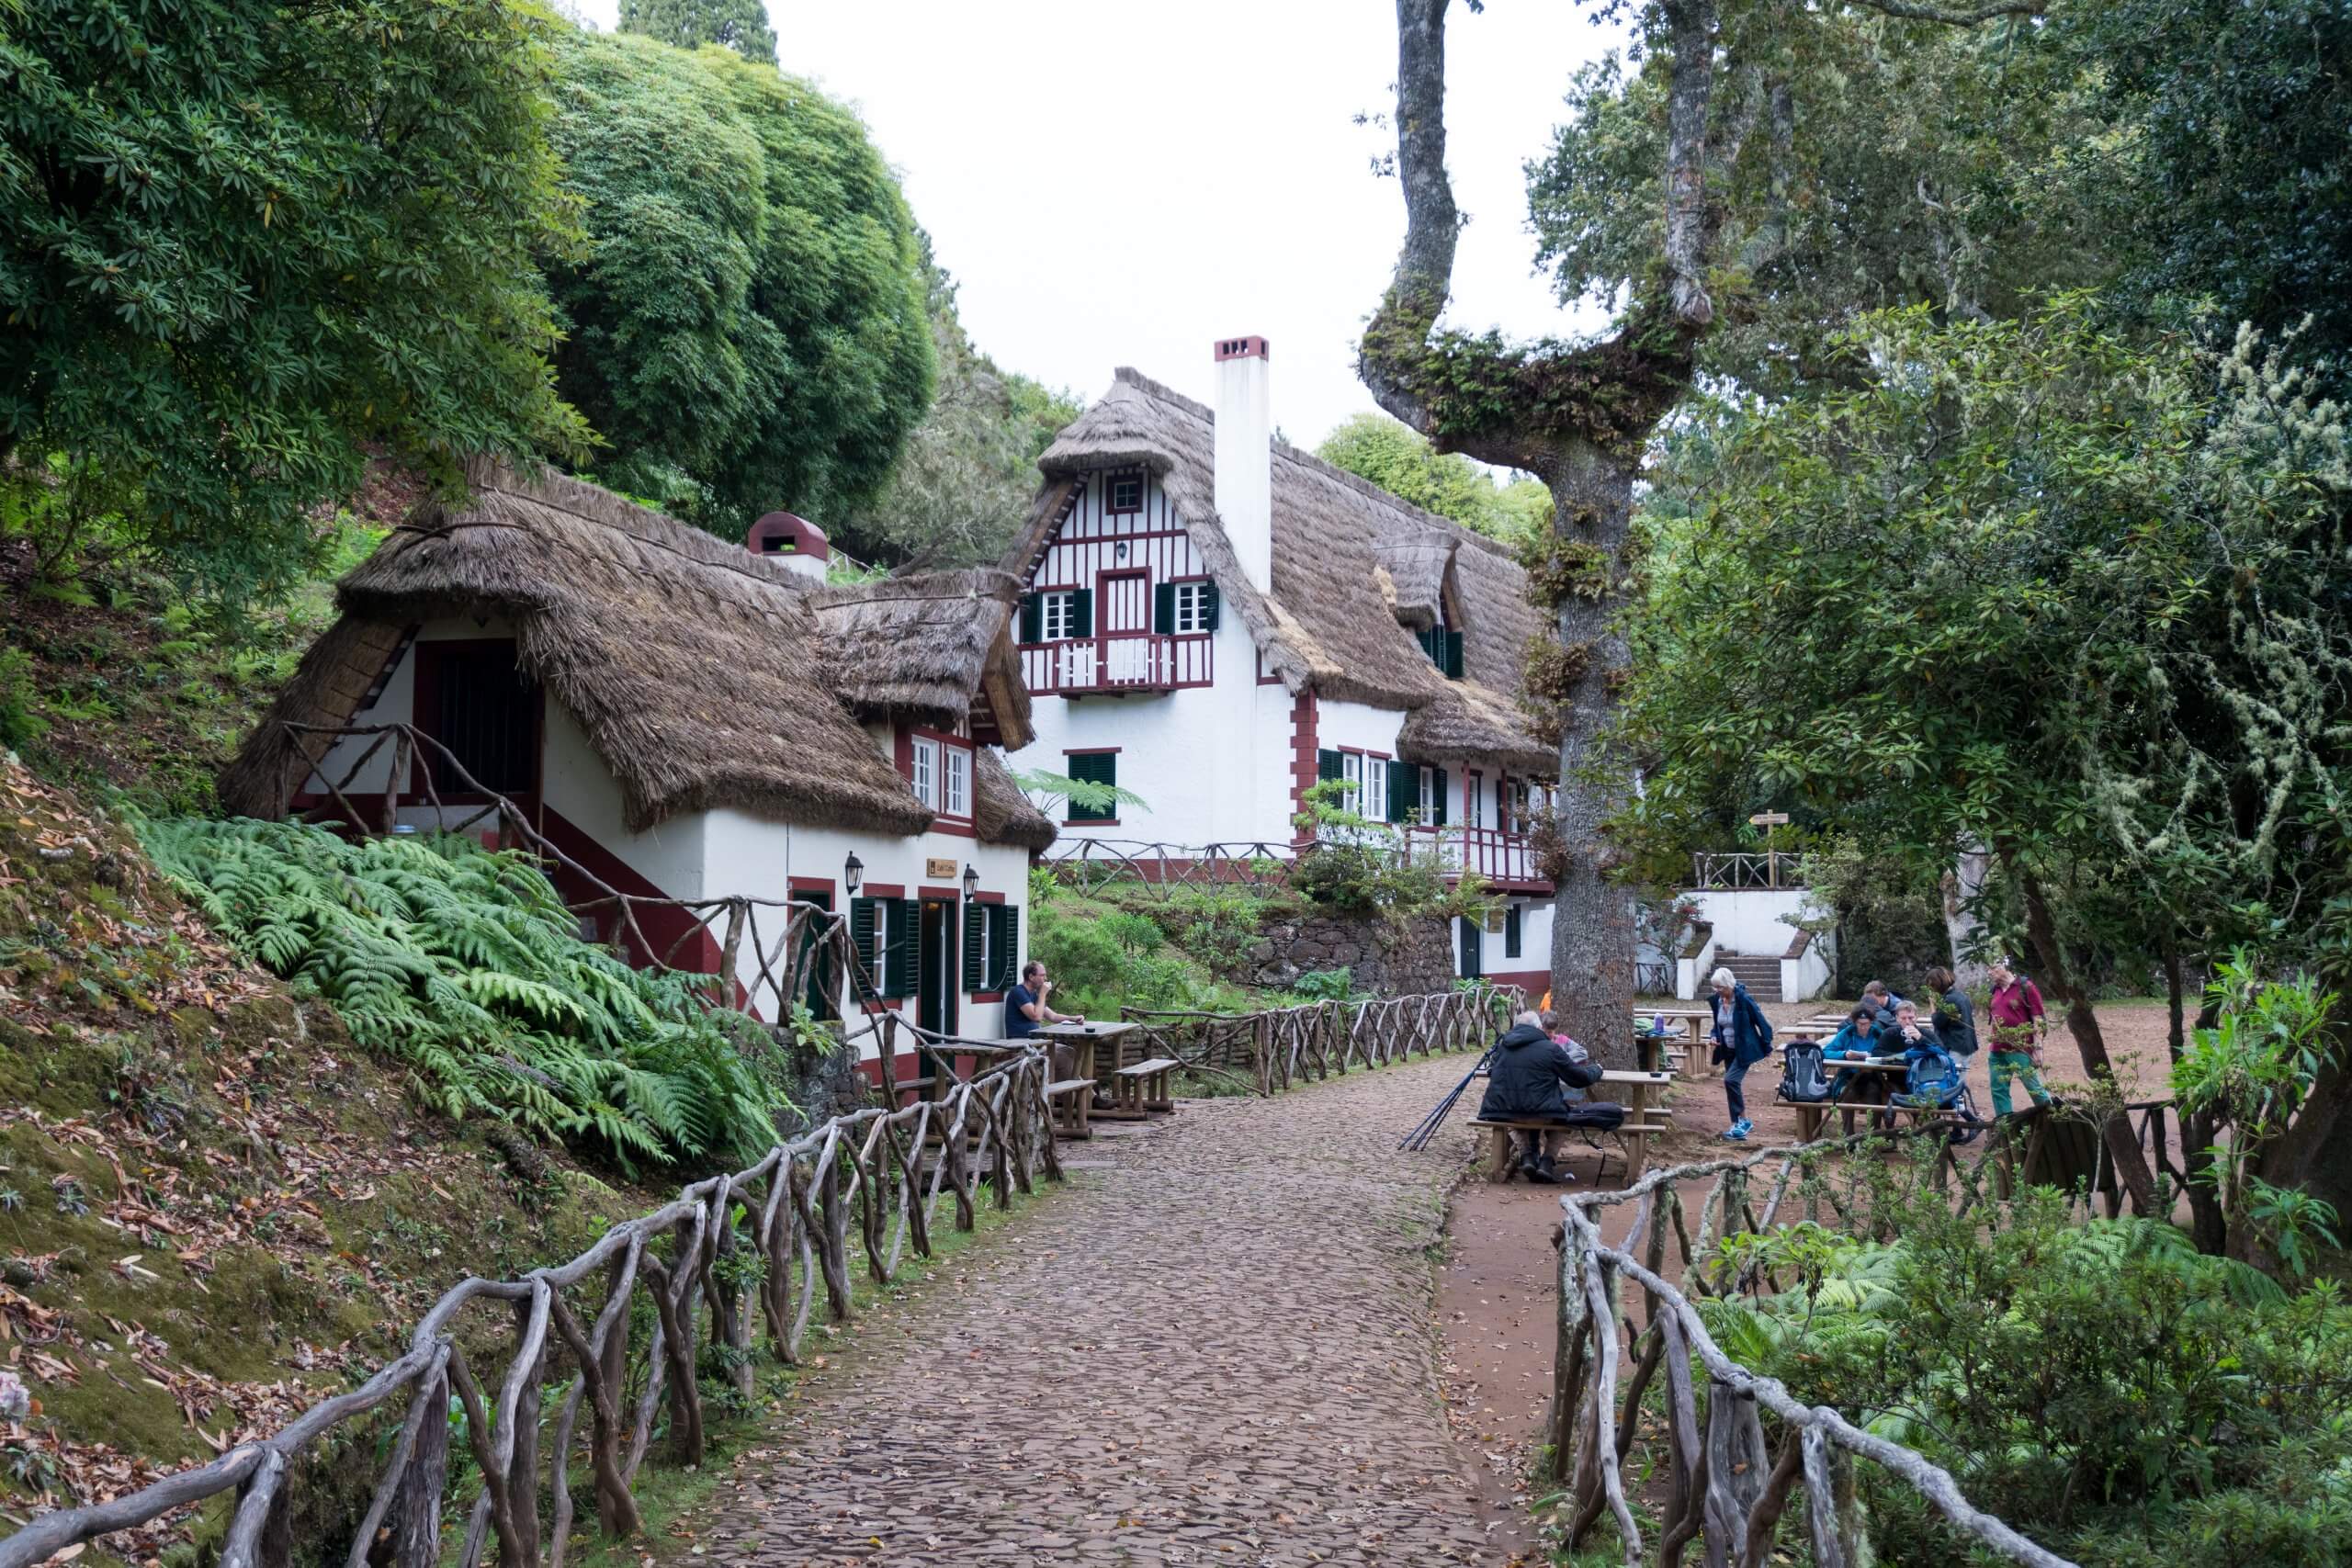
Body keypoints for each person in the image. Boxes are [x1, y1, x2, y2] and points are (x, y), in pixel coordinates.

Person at [1476, 1010, 1620, 1184]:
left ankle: (1527, 1155)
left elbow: (1492, 1070)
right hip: (1545, 1113)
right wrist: (1597, 1069)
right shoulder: (1551, 1048)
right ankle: (1546, 1161)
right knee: (1565, 1121)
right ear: (1539, 1027)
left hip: (1505, 1111)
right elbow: (1578, 1079)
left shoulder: (1502, 1047)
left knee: (1514, 1120)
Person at [1708, 965, 1774, 1141]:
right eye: (1715, 987)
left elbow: (1761, 1022)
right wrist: (1714, 1036)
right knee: (1732, 1086)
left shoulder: (1744, 999)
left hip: (1744, 1049)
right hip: (1727, 1048)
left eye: (1720, 987)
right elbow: (1717, 1026)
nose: (1717, 991)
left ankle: (1743, 1121)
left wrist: (1767, 1045)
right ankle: (1738, 1123)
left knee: (1730, 1080)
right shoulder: (1717, 1001)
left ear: (1729, 984)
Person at [1984, 957, 2053, 1116]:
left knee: (2033, 1087)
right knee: (1998, 1088)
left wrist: (2038, 1049)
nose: (1990, 972)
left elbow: (2038, 1019)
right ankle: (2005, 1125)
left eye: (1994, 968)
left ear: (2006, 967)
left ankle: (2051, 1118)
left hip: (2021, 1049)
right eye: (1988, 969)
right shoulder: (1993, 991)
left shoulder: (2026, 987)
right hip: (1997, 1049)